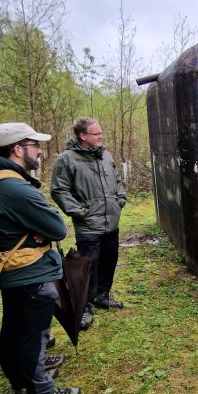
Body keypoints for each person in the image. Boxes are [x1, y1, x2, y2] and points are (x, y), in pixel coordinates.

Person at [0, 122, 81, 394]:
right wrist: (43, 227)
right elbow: (57, 227)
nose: (40, 151)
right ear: (17, 149)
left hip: (14, 271)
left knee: (14, 329)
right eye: (35, 145)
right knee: (30, 336)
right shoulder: (12, 187)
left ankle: (21, 384)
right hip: (29, 272)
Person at [50, 117, 127, 329]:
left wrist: (120, 200)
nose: (101, 136)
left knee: (109, 260)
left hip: (111, 221)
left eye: (101, 133)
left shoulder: (105, 155)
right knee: (87, 267)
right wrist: (80, 212)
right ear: (83, 136)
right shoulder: (67, 159)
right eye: (96, 133)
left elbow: (118, 180)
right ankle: (85, 307)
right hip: (89, 225)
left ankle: (103, 295)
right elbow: (59, 190)